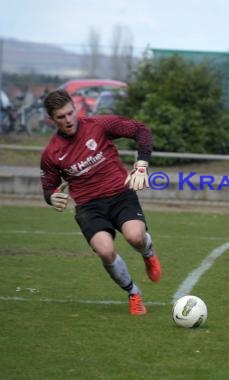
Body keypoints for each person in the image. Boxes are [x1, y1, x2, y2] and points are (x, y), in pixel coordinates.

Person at [40, 89, 161, 315]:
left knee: (135, 237)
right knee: (105, 252)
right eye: (61, 117)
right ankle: (133, 293)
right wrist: (51, 197)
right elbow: (48, 185)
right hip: (88, 207)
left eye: (70, 113)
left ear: (75, 109)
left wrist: (142, 165)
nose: (68, 120)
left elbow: (141, 130)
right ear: (51, 120)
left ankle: (148, 253)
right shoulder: (51, 153)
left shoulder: (99, 126)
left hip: (120, 196)